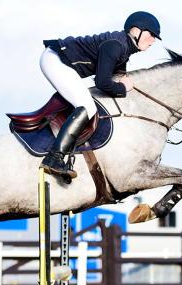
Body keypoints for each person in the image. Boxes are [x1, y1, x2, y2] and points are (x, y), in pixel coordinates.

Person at [38, 11, 161, 178]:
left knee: (88, 103)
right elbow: (102, 82)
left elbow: (117, 78)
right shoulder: (115, 45)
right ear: (135, 30)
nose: (153, 40)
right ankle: (54, 158)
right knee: (87, 107)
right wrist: (122, 88)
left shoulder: (124, 48)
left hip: (62, 61)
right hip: (55, 60)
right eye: (151, 34)